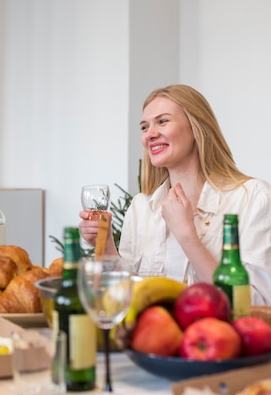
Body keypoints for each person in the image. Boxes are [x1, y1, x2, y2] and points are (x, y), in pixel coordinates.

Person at [79, 84, 271, 305]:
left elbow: (257, 303)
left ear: (196, 127)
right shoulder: (141, 208)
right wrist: (105, 244)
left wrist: (186, 233)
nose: (149, 134)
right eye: (144, 127)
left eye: (162, 121)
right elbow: (123, 301)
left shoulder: (253, 197)